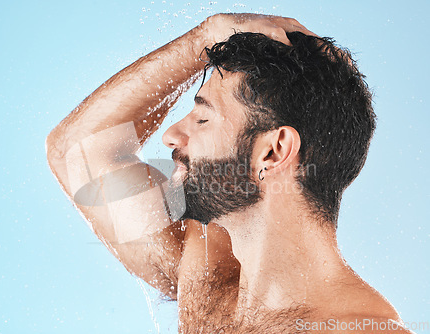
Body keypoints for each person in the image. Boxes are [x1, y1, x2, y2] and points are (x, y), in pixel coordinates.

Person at [46, 13, 412, 333]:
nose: (170, 135)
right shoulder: (204, 270)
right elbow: (79, 152)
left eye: (202, 119)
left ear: (273, 151)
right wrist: (203, 39)